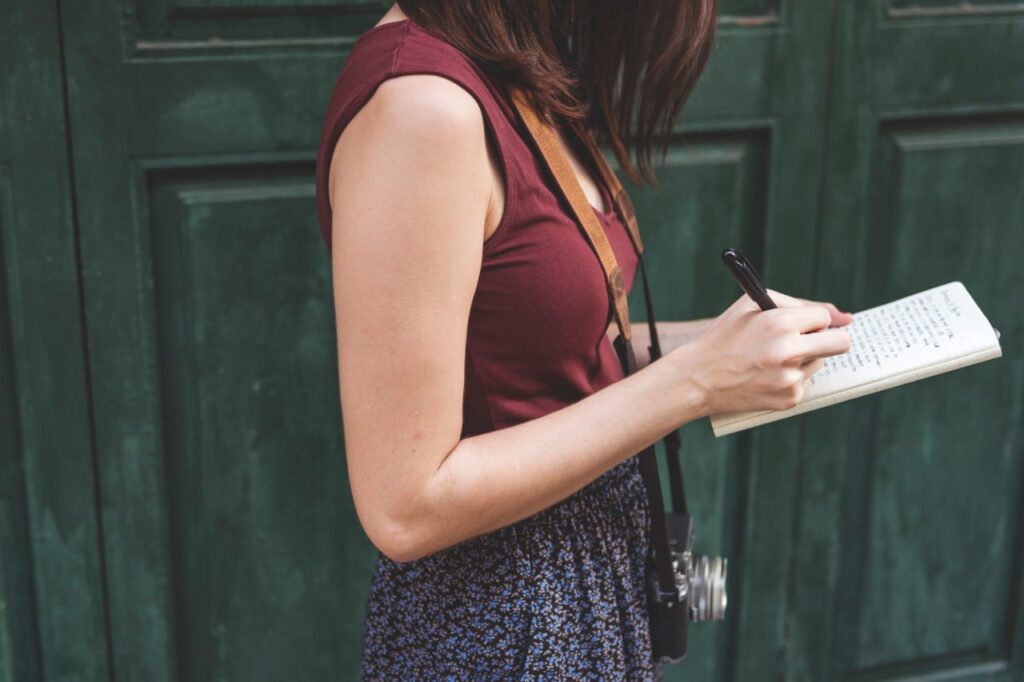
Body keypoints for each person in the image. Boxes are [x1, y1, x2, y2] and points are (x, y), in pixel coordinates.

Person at [313, 2, 854, 678]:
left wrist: (731, 346)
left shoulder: (510, 62)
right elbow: (405, 506)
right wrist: (696, 380)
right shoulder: (422, 108)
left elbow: (551, 344)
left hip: (580, 588)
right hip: (503, 619)